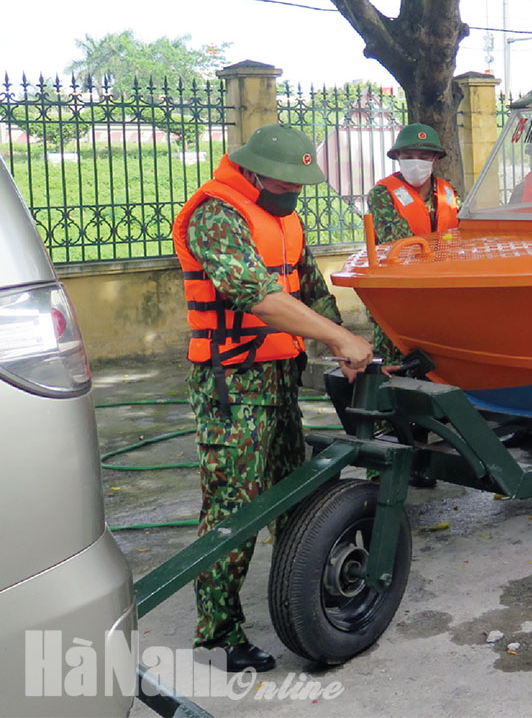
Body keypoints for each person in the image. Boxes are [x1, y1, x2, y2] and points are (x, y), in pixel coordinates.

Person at [172, 123, 373, 672]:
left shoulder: (284, 218)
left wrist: (344, 346)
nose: (294, 192)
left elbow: (309, 289)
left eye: (300, 185)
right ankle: (218, 636)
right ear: (254, 171)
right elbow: (256, 295)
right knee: (233, 510)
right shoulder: (216, 215)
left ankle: (298, 597)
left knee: (294, 495)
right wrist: (339, 340)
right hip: (232, 386)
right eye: (285, 182)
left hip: (280, 377)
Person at [367, 123, 460, 368]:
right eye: (408, 156)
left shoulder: (449, 193)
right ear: (398, 157)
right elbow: (400, 241)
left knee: (439, 363)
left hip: (441, 293)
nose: (415, 162)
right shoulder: (382, 194)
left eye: (424, 157)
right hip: (396, 295)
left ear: (435, 160)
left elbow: (462, 237)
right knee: (394, 362)